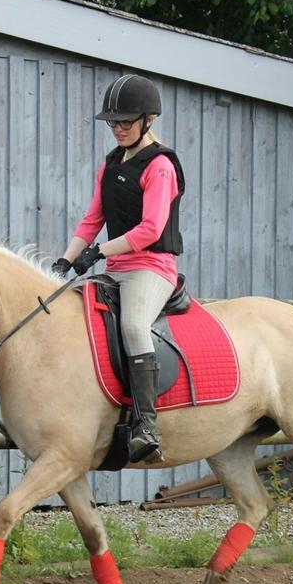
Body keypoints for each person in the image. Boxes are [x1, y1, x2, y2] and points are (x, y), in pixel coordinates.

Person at [53, 73, 186, 464]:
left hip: (152, 267)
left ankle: (146, 425)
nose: (117, 129)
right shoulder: (111, 163)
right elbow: (93, 217)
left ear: (149, 120)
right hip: (115, 266)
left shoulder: (161, 165)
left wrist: (96, 253)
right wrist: (65, 259)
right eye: (112, 122)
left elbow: (150, 229)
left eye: (125, 121)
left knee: (132, 326)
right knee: (68, 318)